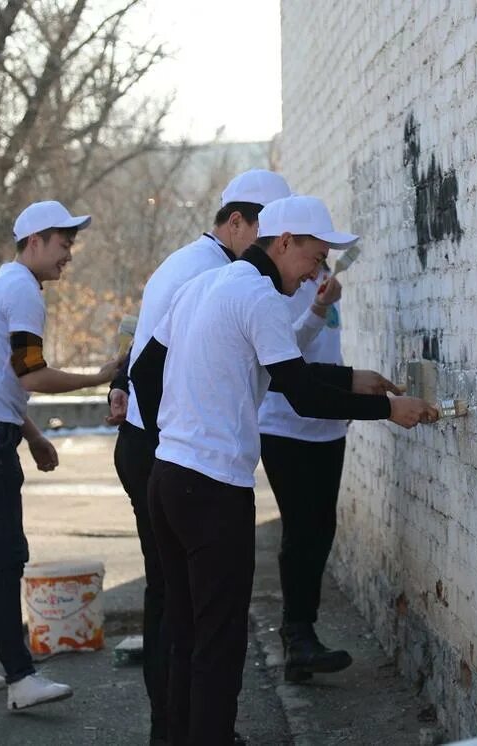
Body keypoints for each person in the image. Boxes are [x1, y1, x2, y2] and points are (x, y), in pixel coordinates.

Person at [131, 195, 440, 745]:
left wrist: (170, 436)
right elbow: (300, 395)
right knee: (220, 644)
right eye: (314, 257)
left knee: (184, 634)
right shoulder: (258, 296)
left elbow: (146, 369)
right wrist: (389, 410)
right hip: (213, 491)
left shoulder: (204, 287)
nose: (315, 273)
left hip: (168, 481)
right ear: (284, 242)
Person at [107, 169, 296, 745]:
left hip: (161, 449)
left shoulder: (192, 264)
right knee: (184, 612)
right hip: (170, 453)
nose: (278, 250)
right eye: (270, 235)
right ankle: (179, 729)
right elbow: (161, 361)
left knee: (177, 606)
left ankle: (179, 728)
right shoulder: (218, 275)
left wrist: (130, 387)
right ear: (237, 223)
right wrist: (183, 430)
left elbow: (144, 348)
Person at [0, 200, 119, 711]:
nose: (69, 255)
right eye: (64, 244)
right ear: (36, 240)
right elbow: (31, 374)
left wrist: (34, 434)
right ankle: (20, 679)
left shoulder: (5, 284)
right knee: (3, 557)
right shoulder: (21, 290)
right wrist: (99, 377)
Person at [258, 259, 355, 683]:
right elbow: (281, 355)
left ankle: (303, 635)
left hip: (327, 425)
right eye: (315, 245)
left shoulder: (320, 276)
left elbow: (325, 352)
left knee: (320, 530)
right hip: (285, 425)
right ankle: (297, 637)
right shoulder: (275, 285)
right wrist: (317, 309)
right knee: (301, 531)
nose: (322, 255)